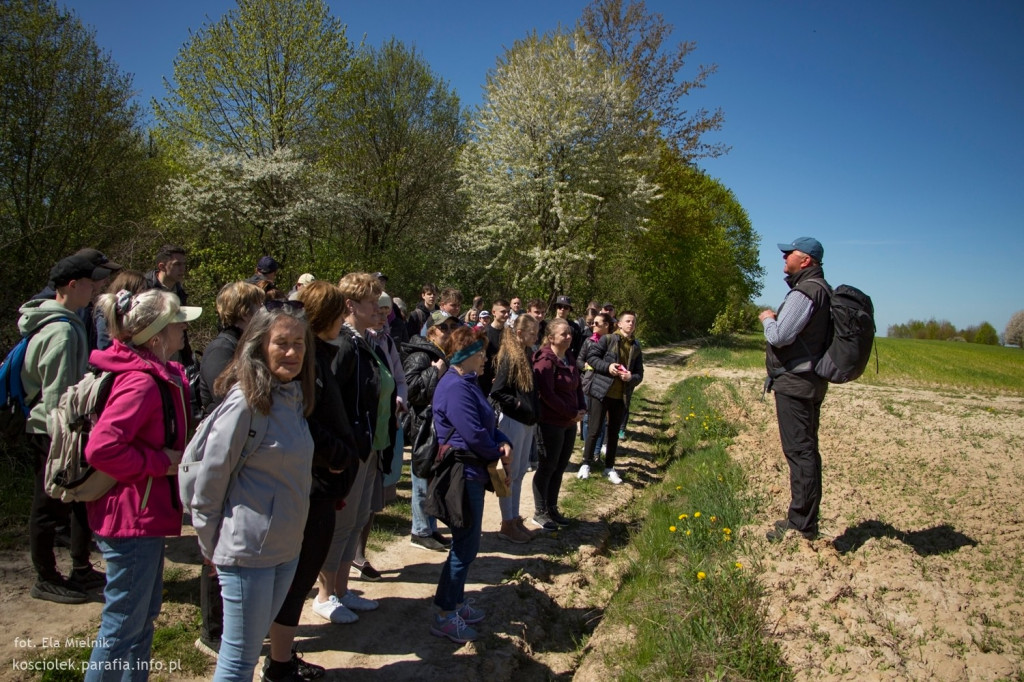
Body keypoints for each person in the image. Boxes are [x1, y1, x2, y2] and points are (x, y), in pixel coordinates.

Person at [191, 302, 316, 682]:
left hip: (285, 549)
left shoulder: (293, 398)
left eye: (299, 342)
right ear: (260, 345)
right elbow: (209, 479)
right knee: (239, 660)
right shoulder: (245, 403)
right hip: (247, 553)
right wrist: (209, 542)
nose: (292, 352)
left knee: (247, 651)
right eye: (282, 343)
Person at [83, 289, 200, 680]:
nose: (185, 328)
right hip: (131, 517)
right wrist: (159, 464)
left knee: (141, 618)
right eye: (178, 322)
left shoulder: (154, 374)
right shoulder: (141, 383)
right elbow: (101, 448)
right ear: (156, 336)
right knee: (122, 625)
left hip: (142, 515)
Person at [264, 282, 360, 682]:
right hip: (312, 484)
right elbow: (300, 420)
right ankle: (278, 664)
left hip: (321, 484)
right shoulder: (307, 362)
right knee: (299, 577)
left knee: (299, 575)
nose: (345, 319)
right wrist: (334, 455)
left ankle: (281, 657)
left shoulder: (318, 356)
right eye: (340, 313)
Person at [20, 250, 115, 604]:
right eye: (92, 284)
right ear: (73, 285)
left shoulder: (66, 322)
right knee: (47, 506)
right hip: (52, 431)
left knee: (76, 499)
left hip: (61, 428)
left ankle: (80, 568)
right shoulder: (61, 331)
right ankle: (46, 577)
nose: (96, 290)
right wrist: (74, 433)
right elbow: (59, 396)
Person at [193, 281, 265, 659]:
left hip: (241, 452)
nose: (262, 314)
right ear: (241, 312)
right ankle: (212, 630)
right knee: (216, 548)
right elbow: (227, 398)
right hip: (222, 453)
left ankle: (234, 621)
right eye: (256, 308)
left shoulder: (239, 345)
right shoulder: (221, 349)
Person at [430, 326, 512, 643]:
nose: (485, 359)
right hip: (463, 474)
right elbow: (473, 433)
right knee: (464, 547)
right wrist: (498, 452)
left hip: (474, 471)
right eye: (481, 353)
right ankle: (444, 613)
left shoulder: (469, 384)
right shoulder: (455, 387)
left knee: (467, 545)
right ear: (466, 354)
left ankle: (456, 603)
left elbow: (487, 422)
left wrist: (502, 441)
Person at [314, 273, 383, 625]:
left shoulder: (364, 341)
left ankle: (341, 589)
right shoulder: (343, 344)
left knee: (355, 520)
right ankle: (324, 595)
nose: (379, 308)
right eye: (372, 302)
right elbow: (330, 400)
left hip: (367, 446)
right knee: (341, 524)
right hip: (350, 449)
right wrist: (342, 446)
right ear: (351, 305)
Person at [760, 237, 831, 543]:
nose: (784, 258)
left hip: (795, 383)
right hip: (808, 381)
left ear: (806, 261)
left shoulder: (806, 291)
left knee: (799, 453)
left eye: (789, 254)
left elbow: (780, 336)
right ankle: (804, 519)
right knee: (806, 452)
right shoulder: (821, 289)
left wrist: (767, 320)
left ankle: (801, 524)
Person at [403, 311, 457, 552]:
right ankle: (420, 530)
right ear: (432, 330)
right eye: (443, 328)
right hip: (423, 425)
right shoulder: (420, 355)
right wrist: (435, 371)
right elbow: (411, 390)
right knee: (422, 477)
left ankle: (430, 528)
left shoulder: (442, 355)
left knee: (432, 477)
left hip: (437, 425)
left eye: (451, 328)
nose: (448, 332)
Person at [530, 318, 585, 531]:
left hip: (569, 422)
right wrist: (571, 412)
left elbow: (577, 385)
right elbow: (547, 395)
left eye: (569, 333)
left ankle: (552, 508)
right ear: (551, 337)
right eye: (564, 334)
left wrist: (581, 408)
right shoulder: (545, 361)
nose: (569, 337)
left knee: (560, 466)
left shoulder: (569, 357)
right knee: (547, 466)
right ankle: (540, 511)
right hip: (551, 422)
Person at [489, 314, 540, 542]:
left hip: (526, 422)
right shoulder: (510, 356)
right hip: (512, 421)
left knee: (518, 474)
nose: (535, 337)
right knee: (507, 473)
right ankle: (506, 522)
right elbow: (498, 391)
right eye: (532, 333)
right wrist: (519, 404)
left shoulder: (526, 354)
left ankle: (513, 518)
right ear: (519, 333)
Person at [581, 311, 644, 485]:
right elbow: (591, 358)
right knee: (594, 429)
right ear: (619, 324)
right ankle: (585, 464)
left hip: (620, 395)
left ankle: (609, 467)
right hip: (601, 391)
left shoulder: (636, 346)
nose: (631, 324)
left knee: (613, 433)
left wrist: (631, 377)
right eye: (627, 321)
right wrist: (608, 367)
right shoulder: (607, 340)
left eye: (633, 322)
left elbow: (640, 373)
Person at [577, 312, 613, 477]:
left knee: (603, 422)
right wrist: (585, 366)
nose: (593, 326)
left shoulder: (613, 342)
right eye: (592, 323)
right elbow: (579, 360)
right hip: (588, 383)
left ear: (606, 325)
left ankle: (597, 453)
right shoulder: (588, 341)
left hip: (607, 386)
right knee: (589, 419)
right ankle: (588, 455)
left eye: (597, 324)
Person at [95, 270, 148, 351]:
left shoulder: (137, 312)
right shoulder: (106, 309)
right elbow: (104, 344)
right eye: (142, 288)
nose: (145, 292)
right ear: (130, 288)